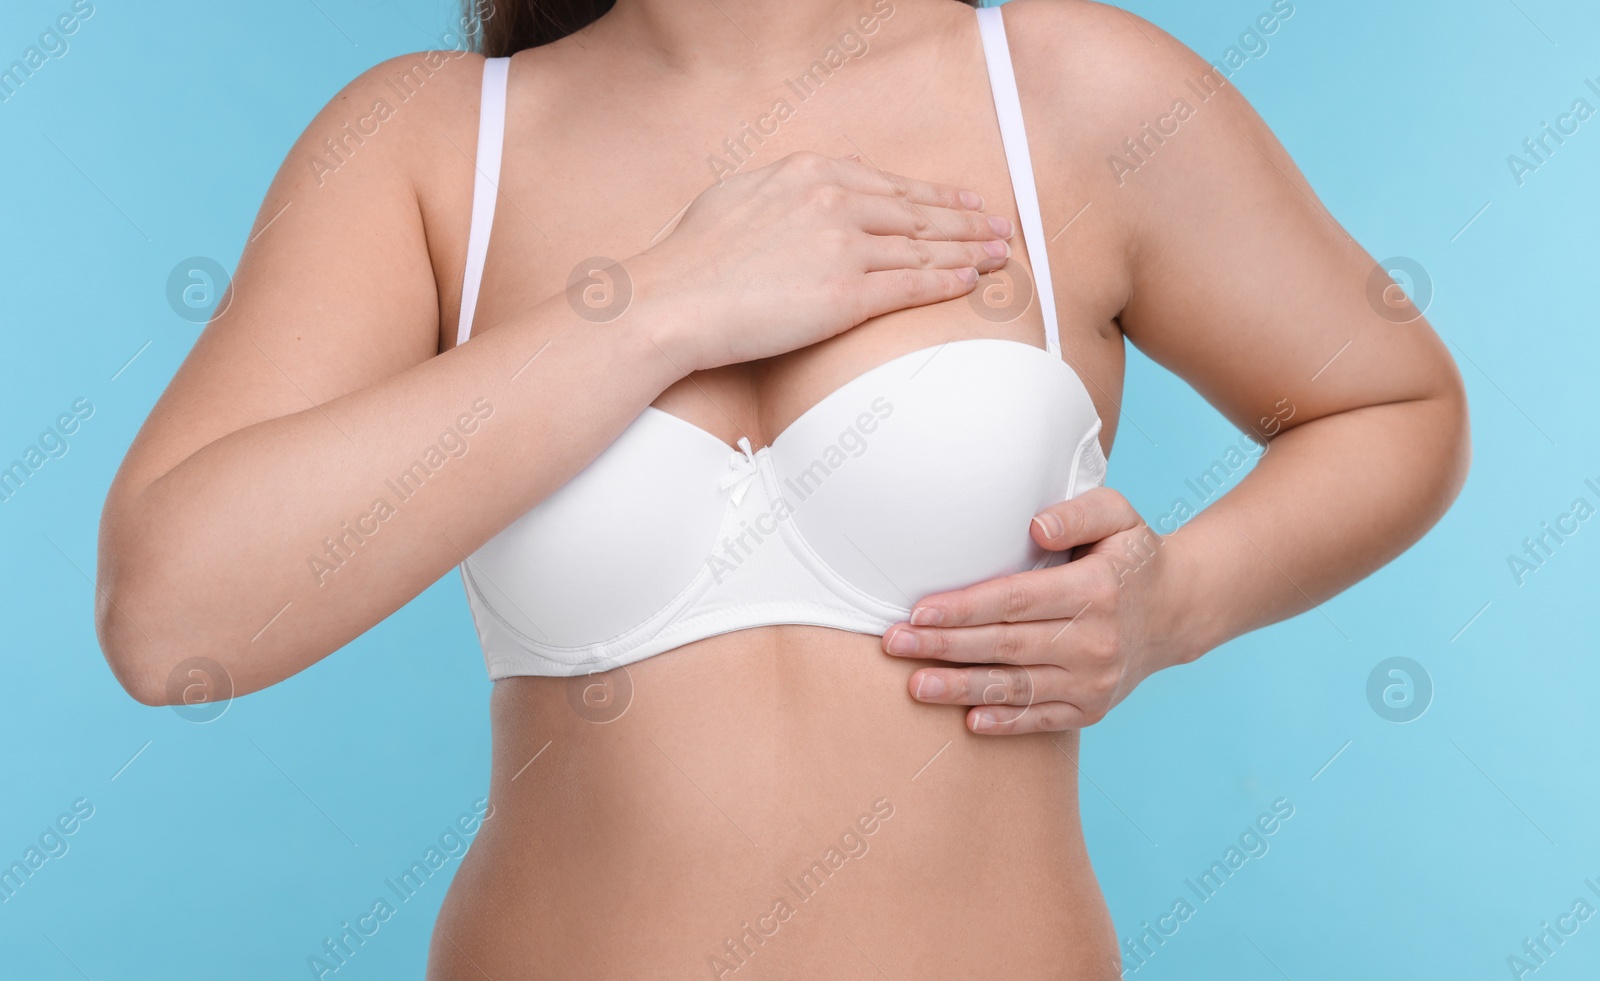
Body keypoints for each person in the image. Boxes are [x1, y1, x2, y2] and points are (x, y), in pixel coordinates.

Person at [94, 0, 1469, 976]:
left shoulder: (1068, 87)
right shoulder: (429, 145)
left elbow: (1397, 403)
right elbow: (174, 618)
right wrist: (647, 311)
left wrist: (1182, 605)